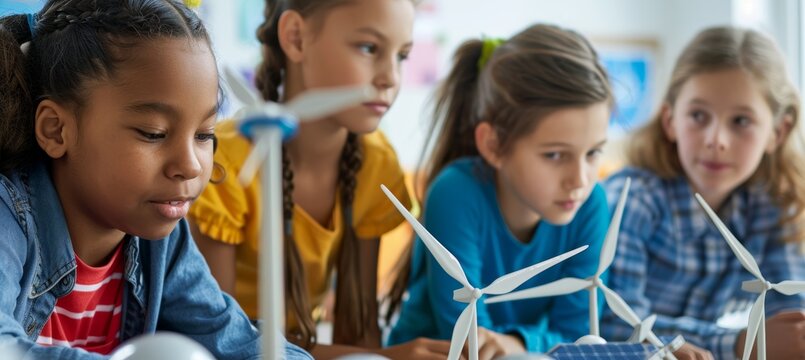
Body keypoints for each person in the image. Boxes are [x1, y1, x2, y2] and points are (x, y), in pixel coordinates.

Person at [0, 0, 310, 358]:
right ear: (56, 130)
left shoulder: (162, 240)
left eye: (205, 134)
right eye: (153, 133)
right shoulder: (10, 219)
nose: (190, 166)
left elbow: (234, 340)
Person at [188, 0, 452, 358]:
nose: (390, 77)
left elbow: (358, 330)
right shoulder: (224, 164)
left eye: (402, 55)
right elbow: (221, 338)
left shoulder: (376, 161)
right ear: (296, 38)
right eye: (369, 48)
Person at [387, 24, 615, 359]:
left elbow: (578, 333)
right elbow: (466, 336)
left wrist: (518, 343)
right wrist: (518, 345)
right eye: (554, 155)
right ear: (493, 145)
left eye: (593, 152)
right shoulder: (455, 194)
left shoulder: (591, 203)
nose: (580, 179)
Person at [601, 26, 805, 360]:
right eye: (698, 116)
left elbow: (789, 308)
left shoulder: (771, 206)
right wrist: (741, 344)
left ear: (777, 132)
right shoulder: (633, 199)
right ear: (670, 120)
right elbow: (614, 324)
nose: (716, 140)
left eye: (741, 121)